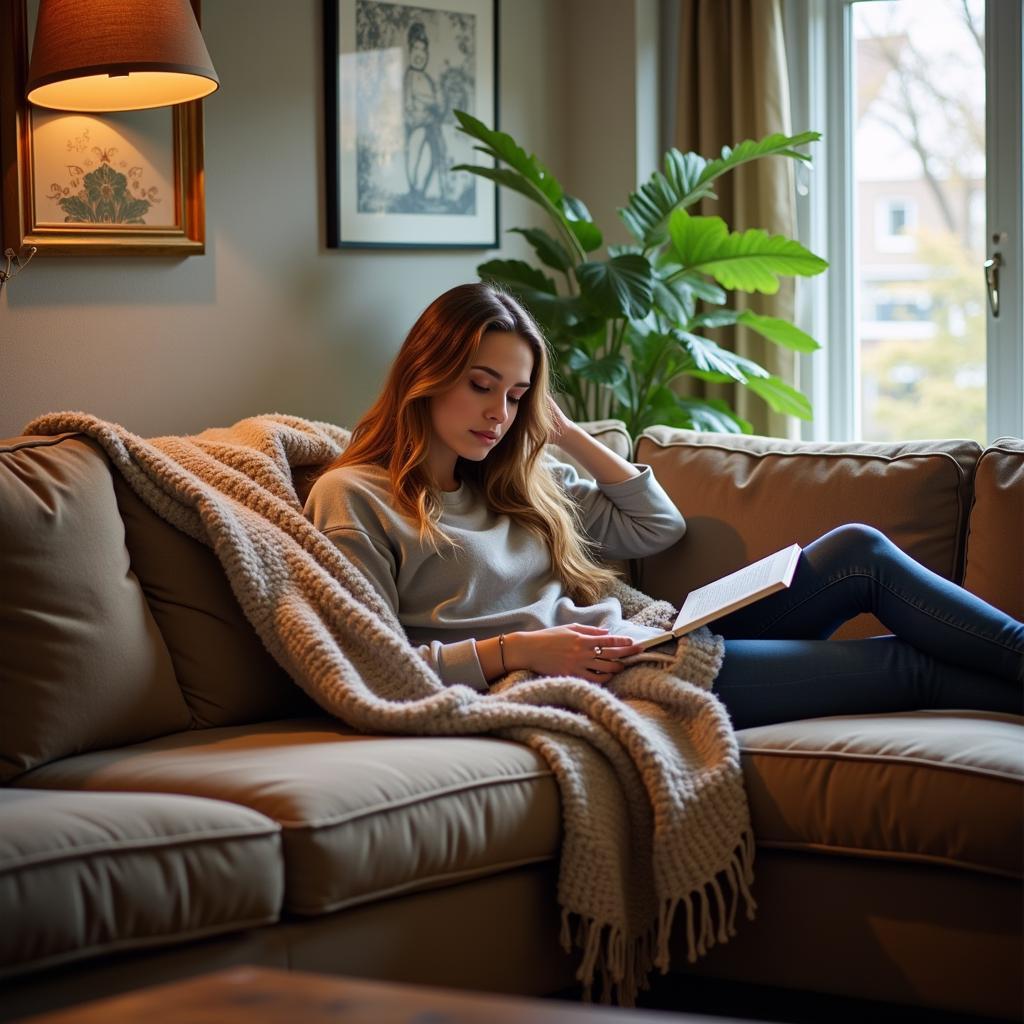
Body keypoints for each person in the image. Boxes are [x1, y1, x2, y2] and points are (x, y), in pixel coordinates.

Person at [304, 283, 1024, 728]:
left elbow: (658, 525)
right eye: (481, 385)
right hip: (594, 679)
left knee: (858, 551)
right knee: (907, 670)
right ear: (425, 377)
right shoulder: (354, 498)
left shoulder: (508, 482)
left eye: (517, 395)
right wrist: (516, 651)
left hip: (646, 638)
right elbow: (371, 666)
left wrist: (560, 431)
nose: (499, 413)